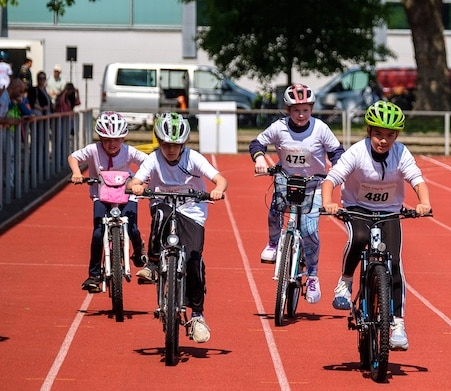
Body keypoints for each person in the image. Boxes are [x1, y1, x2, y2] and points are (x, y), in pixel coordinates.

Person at [322, 100, 432, 351]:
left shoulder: (401, 153)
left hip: (389, 211)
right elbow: (331, 179)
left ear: (397, 136)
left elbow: (417, 179)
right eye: (378, 134)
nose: (384, 140)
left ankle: (398, 324)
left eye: (390, 135)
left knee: (394, 263)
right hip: (357, 208)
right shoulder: (357, 152)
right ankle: (345, 282)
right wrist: (328, 202)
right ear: (369, 131)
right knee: (359, 237)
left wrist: (424, 203)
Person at [127, 113, 228, 344]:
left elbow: (220, 179)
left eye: (175, 145)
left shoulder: (193, 158)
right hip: (163, 204)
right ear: (159, 142)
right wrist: (137, 186)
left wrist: (217, 190)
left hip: (192, 211)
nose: (170, 149)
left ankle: (197, 316)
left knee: (194, 260)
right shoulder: (154, 159)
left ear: (184, 144)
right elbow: (135, 181)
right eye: (165, 144)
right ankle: (153, 263)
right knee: (162, 213)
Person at [250, 83, 344, 304]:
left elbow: (337, 152)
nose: (301, 115)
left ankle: (312, 276)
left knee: (310, 231)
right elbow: (257, 143)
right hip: (286, 180)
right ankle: (273, 244)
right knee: (275, 210)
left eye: (305, 110)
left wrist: (337, 168)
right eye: (296, 110)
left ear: (311, 109)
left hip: (314, 185)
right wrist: (260, 158)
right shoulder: (279, 128)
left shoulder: (320, 129)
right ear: (288, 110)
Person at [68, 112, 149, 292]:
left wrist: (141, 183)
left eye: (116, 139)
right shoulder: (93, 150)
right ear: (100, 138)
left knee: (132, 228)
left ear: (123, 138)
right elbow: (73, 157)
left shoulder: (128, 151)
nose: (112, 144)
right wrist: (77, 173)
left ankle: (138, 251)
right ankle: (94, 275)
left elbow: (148, 163)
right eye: (107, 140)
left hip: (126, 194)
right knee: (98, 233)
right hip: (101, 195)